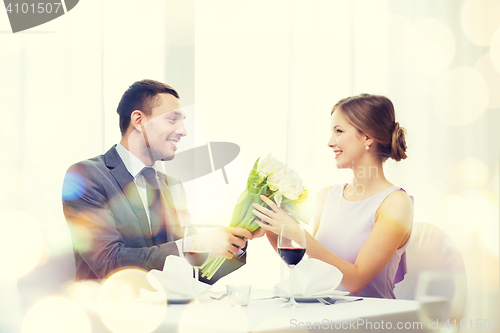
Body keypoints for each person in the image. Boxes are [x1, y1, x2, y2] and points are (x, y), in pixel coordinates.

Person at [62, 79, 261, 283]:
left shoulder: (173, 187)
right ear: (139, 120)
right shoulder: (86, 176)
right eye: (172, 119)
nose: (183, 131)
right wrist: (192, 245)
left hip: (167, 313)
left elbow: (197, 272)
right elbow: (109, 263)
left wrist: (239, 238)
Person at [252, 94, 413, 299]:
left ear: (368, 137)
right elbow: (314, 270)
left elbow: (355, 281)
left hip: (370, 321)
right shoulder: (327, 196)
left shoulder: (396, 203)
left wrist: (296, 231)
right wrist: (274, 229)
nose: (330, 142)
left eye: (339, 131)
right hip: (324, 314)